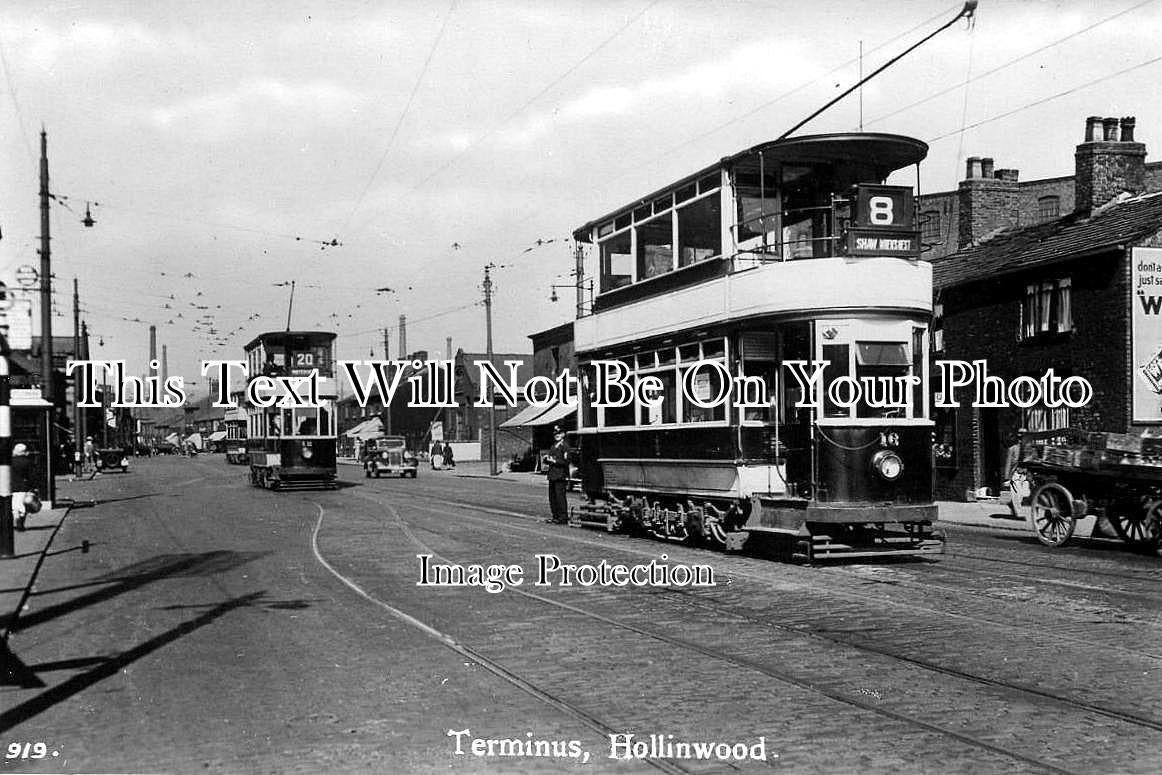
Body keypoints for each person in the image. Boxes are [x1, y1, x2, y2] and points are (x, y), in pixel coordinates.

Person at [543, 426, 570, 524]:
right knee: (552, 497)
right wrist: (546, 459)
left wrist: (554, 461)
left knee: (560, 497)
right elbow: (549, 458)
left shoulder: (565, 447)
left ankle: (563, 517)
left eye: (559, 433)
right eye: (555, 434)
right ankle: (555, 516)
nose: (557, 435)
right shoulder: (553, 446)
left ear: (563, 435)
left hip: (560, 475)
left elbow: (566, 461)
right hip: (552, 475)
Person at [12, 443, 31, 531]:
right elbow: (31, 474)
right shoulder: (27, 462)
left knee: (15, 505)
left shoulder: (11, 461)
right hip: (24, 485)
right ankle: (21, 519)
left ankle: (16, 518)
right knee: (23, 504)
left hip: (12, 485)